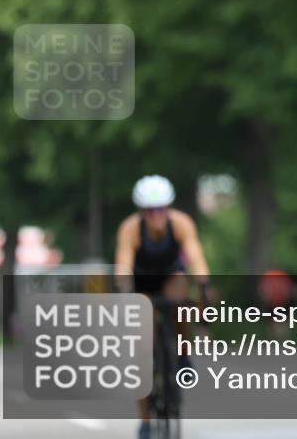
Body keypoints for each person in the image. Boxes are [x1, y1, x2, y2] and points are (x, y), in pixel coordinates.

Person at [114, 175, 211, 439]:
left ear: (168, 208)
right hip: (142, 281)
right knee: (141, 353)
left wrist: (203, 286)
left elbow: (196, 258)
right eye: (149, 210)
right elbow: (123, 265)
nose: (156, 216)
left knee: (180, 298)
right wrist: (124, 294)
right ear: (141, 211)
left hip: (170, 277)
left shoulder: (181, 224)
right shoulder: (130, 229)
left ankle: (182, 354)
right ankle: (145, 421)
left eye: (160, 209)